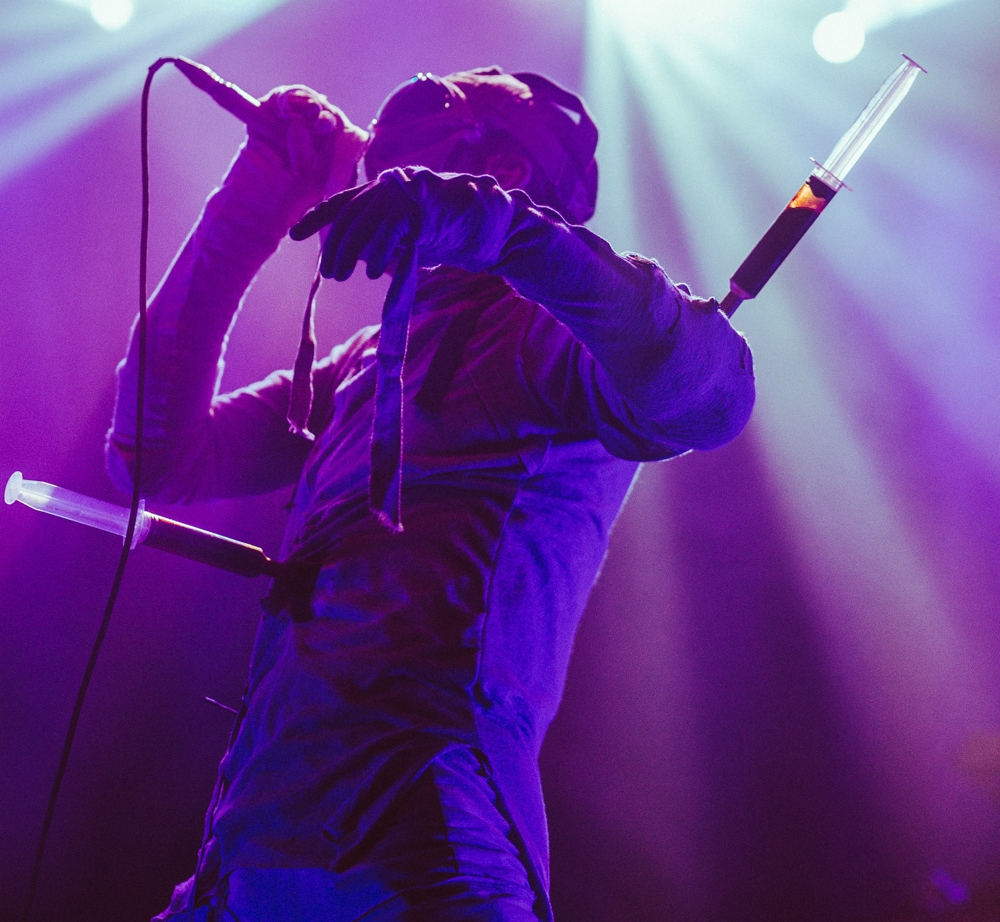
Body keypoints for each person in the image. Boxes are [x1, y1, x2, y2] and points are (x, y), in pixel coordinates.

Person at [107, 65, 755, 922]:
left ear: (510, 172)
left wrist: (495, 229)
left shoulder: (546, 332)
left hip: (419, 857)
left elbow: (710, 394)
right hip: (250, 854)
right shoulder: (366, 361)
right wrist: (254, 204)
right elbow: (156, 458)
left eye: (453, 108)